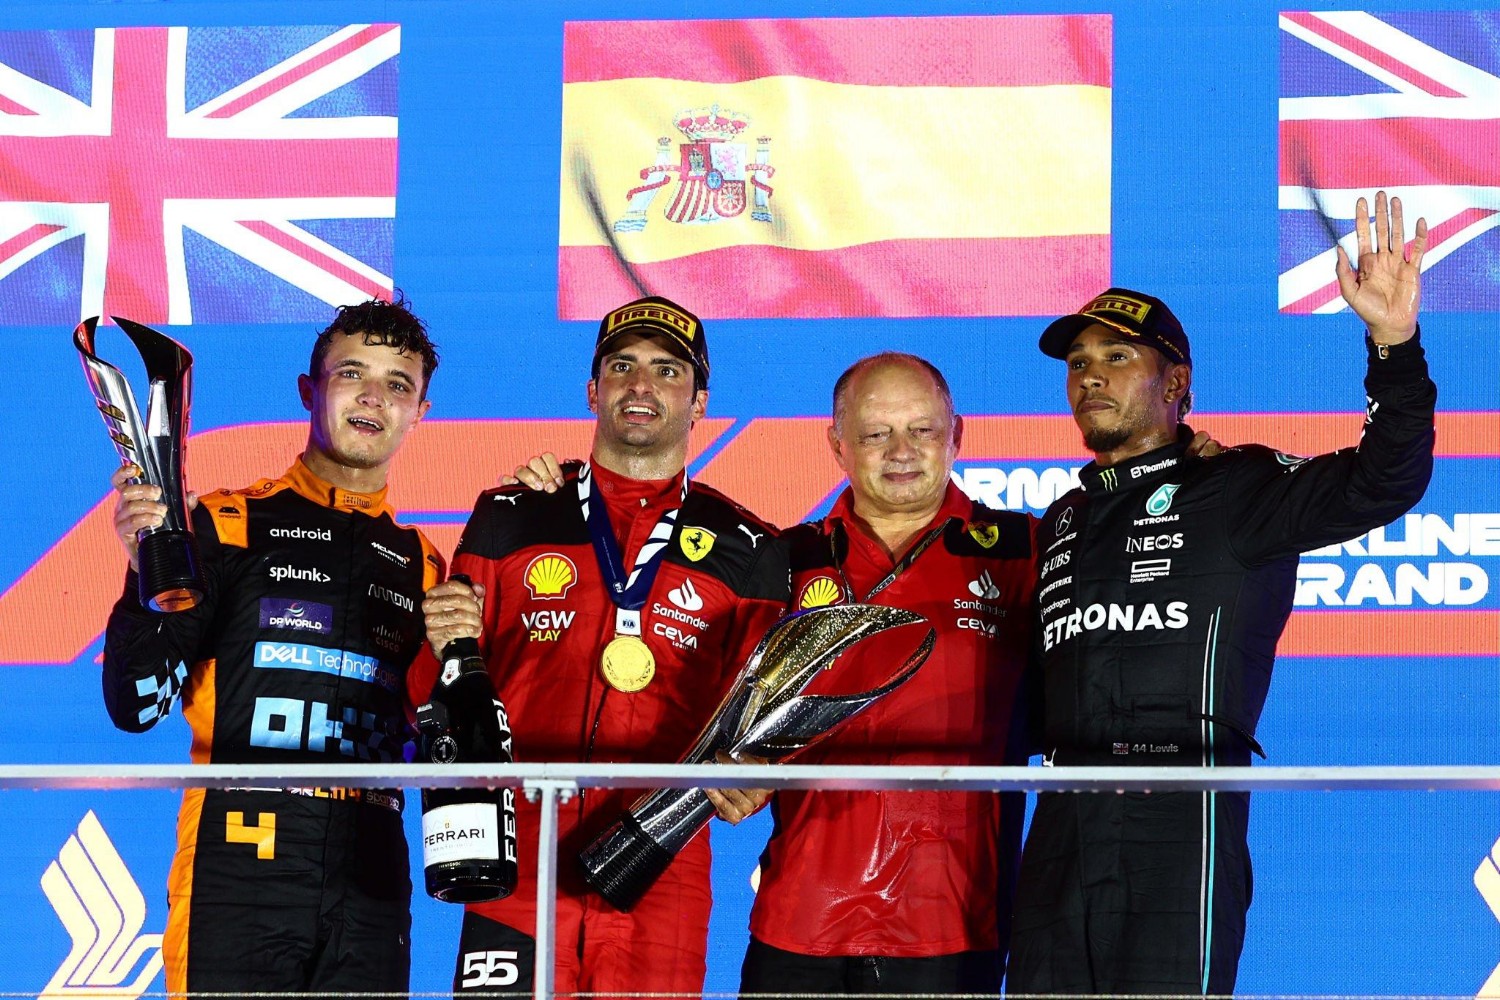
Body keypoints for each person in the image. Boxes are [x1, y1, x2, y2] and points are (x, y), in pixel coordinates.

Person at [1008, 191, 1436, 994]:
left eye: (1118, 357)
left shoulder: (1236, 487)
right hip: (1063, 814)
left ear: (1178, 382)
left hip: (1182, 806)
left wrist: (1394, 343)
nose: (1091, 377)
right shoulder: (1062, 518)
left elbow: (1386, 481)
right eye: (1079, 364)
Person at [414, 294, 789, 997]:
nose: (642, 385)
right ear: (593, 390)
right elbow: (439, 688)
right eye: (622, 366)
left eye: (667, 370)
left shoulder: (750, 548)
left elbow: (762, 721)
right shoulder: (511, 513)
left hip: (659, 868)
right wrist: (433, 645)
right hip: (517, 860)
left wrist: (760, 767)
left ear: (699, 400)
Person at [102, 296, 444, 998]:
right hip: (240, 854)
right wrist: (145, 574)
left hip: (373, 868)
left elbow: (431, 744)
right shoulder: (226, 525)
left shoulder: (425, 566)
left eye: (398, 384)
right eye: (353, 373)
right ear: (309, 391)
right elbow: (137, 704)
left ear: (420, 413)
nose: (374, 397)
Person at [739, 353, 1037, 994]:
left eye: (923, 431)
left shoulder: (1025, 550)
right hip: (799, 913)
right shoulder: (784, 560)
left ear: (958, 434)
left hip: (954, 916)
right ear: (837, 443)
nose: (901, 451)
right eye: (876, 434)